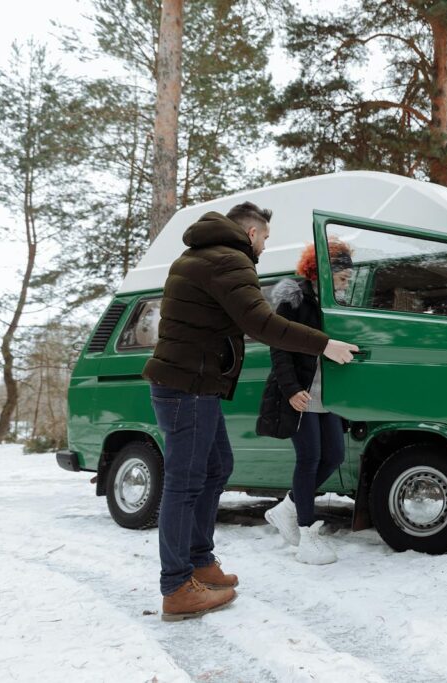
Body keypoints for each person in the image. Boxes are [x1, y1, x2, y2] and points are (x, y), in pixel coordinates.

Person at [143, 202, 359, 621]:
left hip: (195, 385)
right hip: (187, 387)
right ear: (252, 233)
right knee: (185, 483)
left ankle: (200, 560)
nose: (263, 247)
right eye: (264, 239)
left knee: (217, 466)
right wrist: (323, 343)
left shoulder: (202, 256)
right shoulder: (229, 259)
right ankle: (177, 586)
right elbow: (261, 322)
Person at [256, 240, 354, 564]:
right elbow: (278, 346)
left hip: (329, 393)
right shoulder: (294, 298)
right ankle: (306, 533)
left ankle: (287, 507)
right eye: (342, 277)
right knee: (309, 457)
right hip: (301, 391)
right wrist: (290, 389)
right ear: (324, 270)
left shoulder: (336, 303)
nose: (347, 282)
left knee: (334, 455)